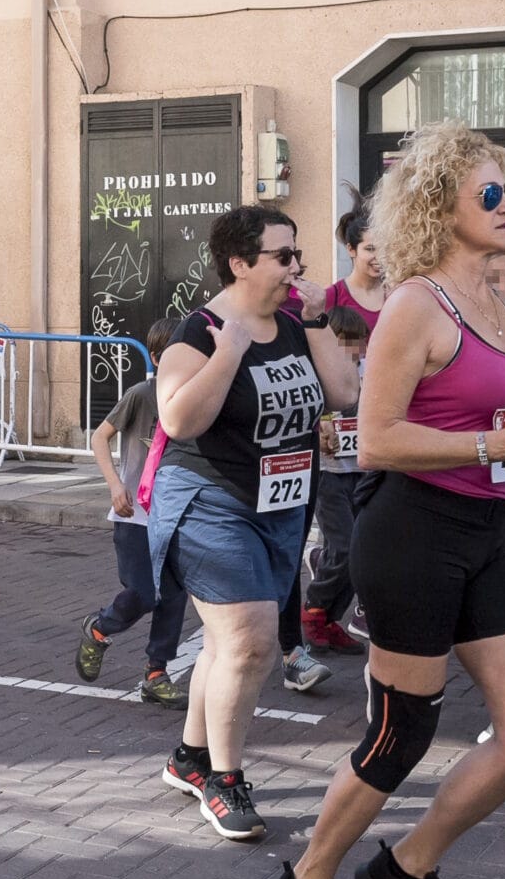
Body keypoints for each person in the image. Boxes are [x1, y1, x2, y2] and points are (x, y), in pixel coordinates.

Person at [264, 126, 505, 879]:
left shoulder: (492, 299)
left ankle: (406, 869)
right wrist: (496, 444)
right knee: (400, 735)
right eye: (491, 193)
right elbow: (375, 440)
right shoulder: (416, 303)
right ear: (441, 206)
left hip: (486, 530)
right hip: (413, 535)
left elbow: (484, 410)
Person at [150, 206, 359, 842]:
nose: (296, 267)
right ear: (240, 263)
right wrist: (228, 354)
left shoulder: (294, 325)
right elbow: (178, 419)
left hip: (280, 504)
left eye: (298, 255)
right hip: (210, 502)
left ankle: (189, 759)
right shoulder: (199, 331)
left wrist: (318, 321)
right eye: (283, 256)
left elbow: (346, 393)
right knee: (250, 642)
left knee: (225, 646)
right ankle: (225, 780)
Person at [77, 318, 192, 706]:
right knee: (144, 592)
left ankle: (156, 673)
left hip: (175, 514)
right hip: (136, 516)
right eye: (175, 354)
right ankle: (99, 628)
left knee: (174, 596)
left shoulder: (197, 397)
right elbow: (100, 437)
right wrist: (115, 484)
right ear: (157, 358)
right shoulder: (142, 394)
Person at [298, 305, 372, 656]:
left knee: (360, 552)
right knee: (343, 547)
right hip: (328, 475)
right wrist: (322, 425)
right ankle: (314, 610)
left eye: (361, 342)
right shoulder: (317, 372)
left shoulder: (369, 370)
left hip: (362, 471)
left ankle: (329, 618)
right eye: (349, 342)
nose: (358, 350)